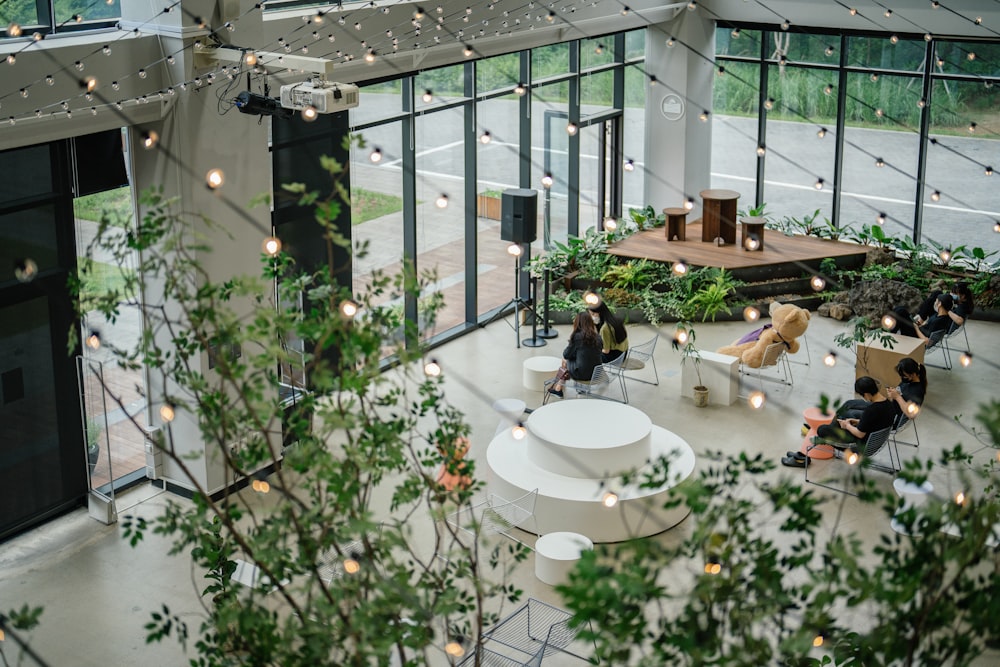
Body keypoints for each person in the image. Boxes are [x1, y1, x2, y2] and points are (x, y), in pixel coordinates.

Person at [838, 357, 926, 420]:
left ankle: (843, 435)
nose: (902, 378)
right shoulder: (907, 382)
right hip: (887, 407)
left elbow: (911, 415)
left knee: (848, 413)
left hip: (890, 417)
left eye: (904, 376)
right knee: (848, 404)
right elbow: (900, 396)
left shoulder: (917, 391)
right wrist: (893, 394)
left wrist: (897, 397)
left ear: (913, 374)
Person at [547, 311, 603, 398]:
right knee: (580, 360)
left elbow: (566, 354)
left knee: (565, 361)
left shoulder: (577, 337)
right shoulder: (598, 337)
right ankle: (560, 388)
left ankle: (558, 389)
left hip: (583, 375)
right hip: (597, 373)